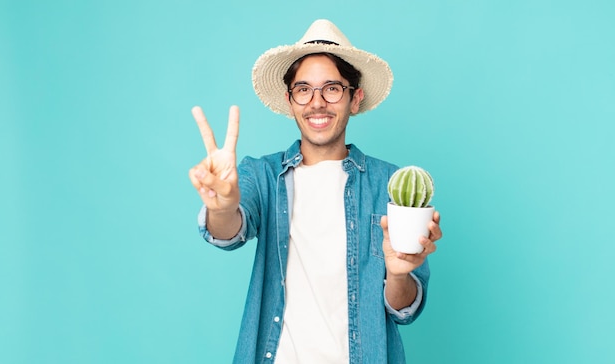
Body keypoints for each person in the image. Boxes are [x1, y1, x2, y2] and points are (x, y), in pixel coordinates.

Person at [188, 19, 443, 364]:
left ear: (355, 98)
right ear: (291, 101)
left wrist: (398, 274)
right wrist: (222, 206)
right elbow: (228, 231)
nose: (317, 102)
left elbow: (404, 309)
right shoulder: (262, 175)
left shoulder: (390, 183)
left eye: (332, 88)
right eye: (304, 89)